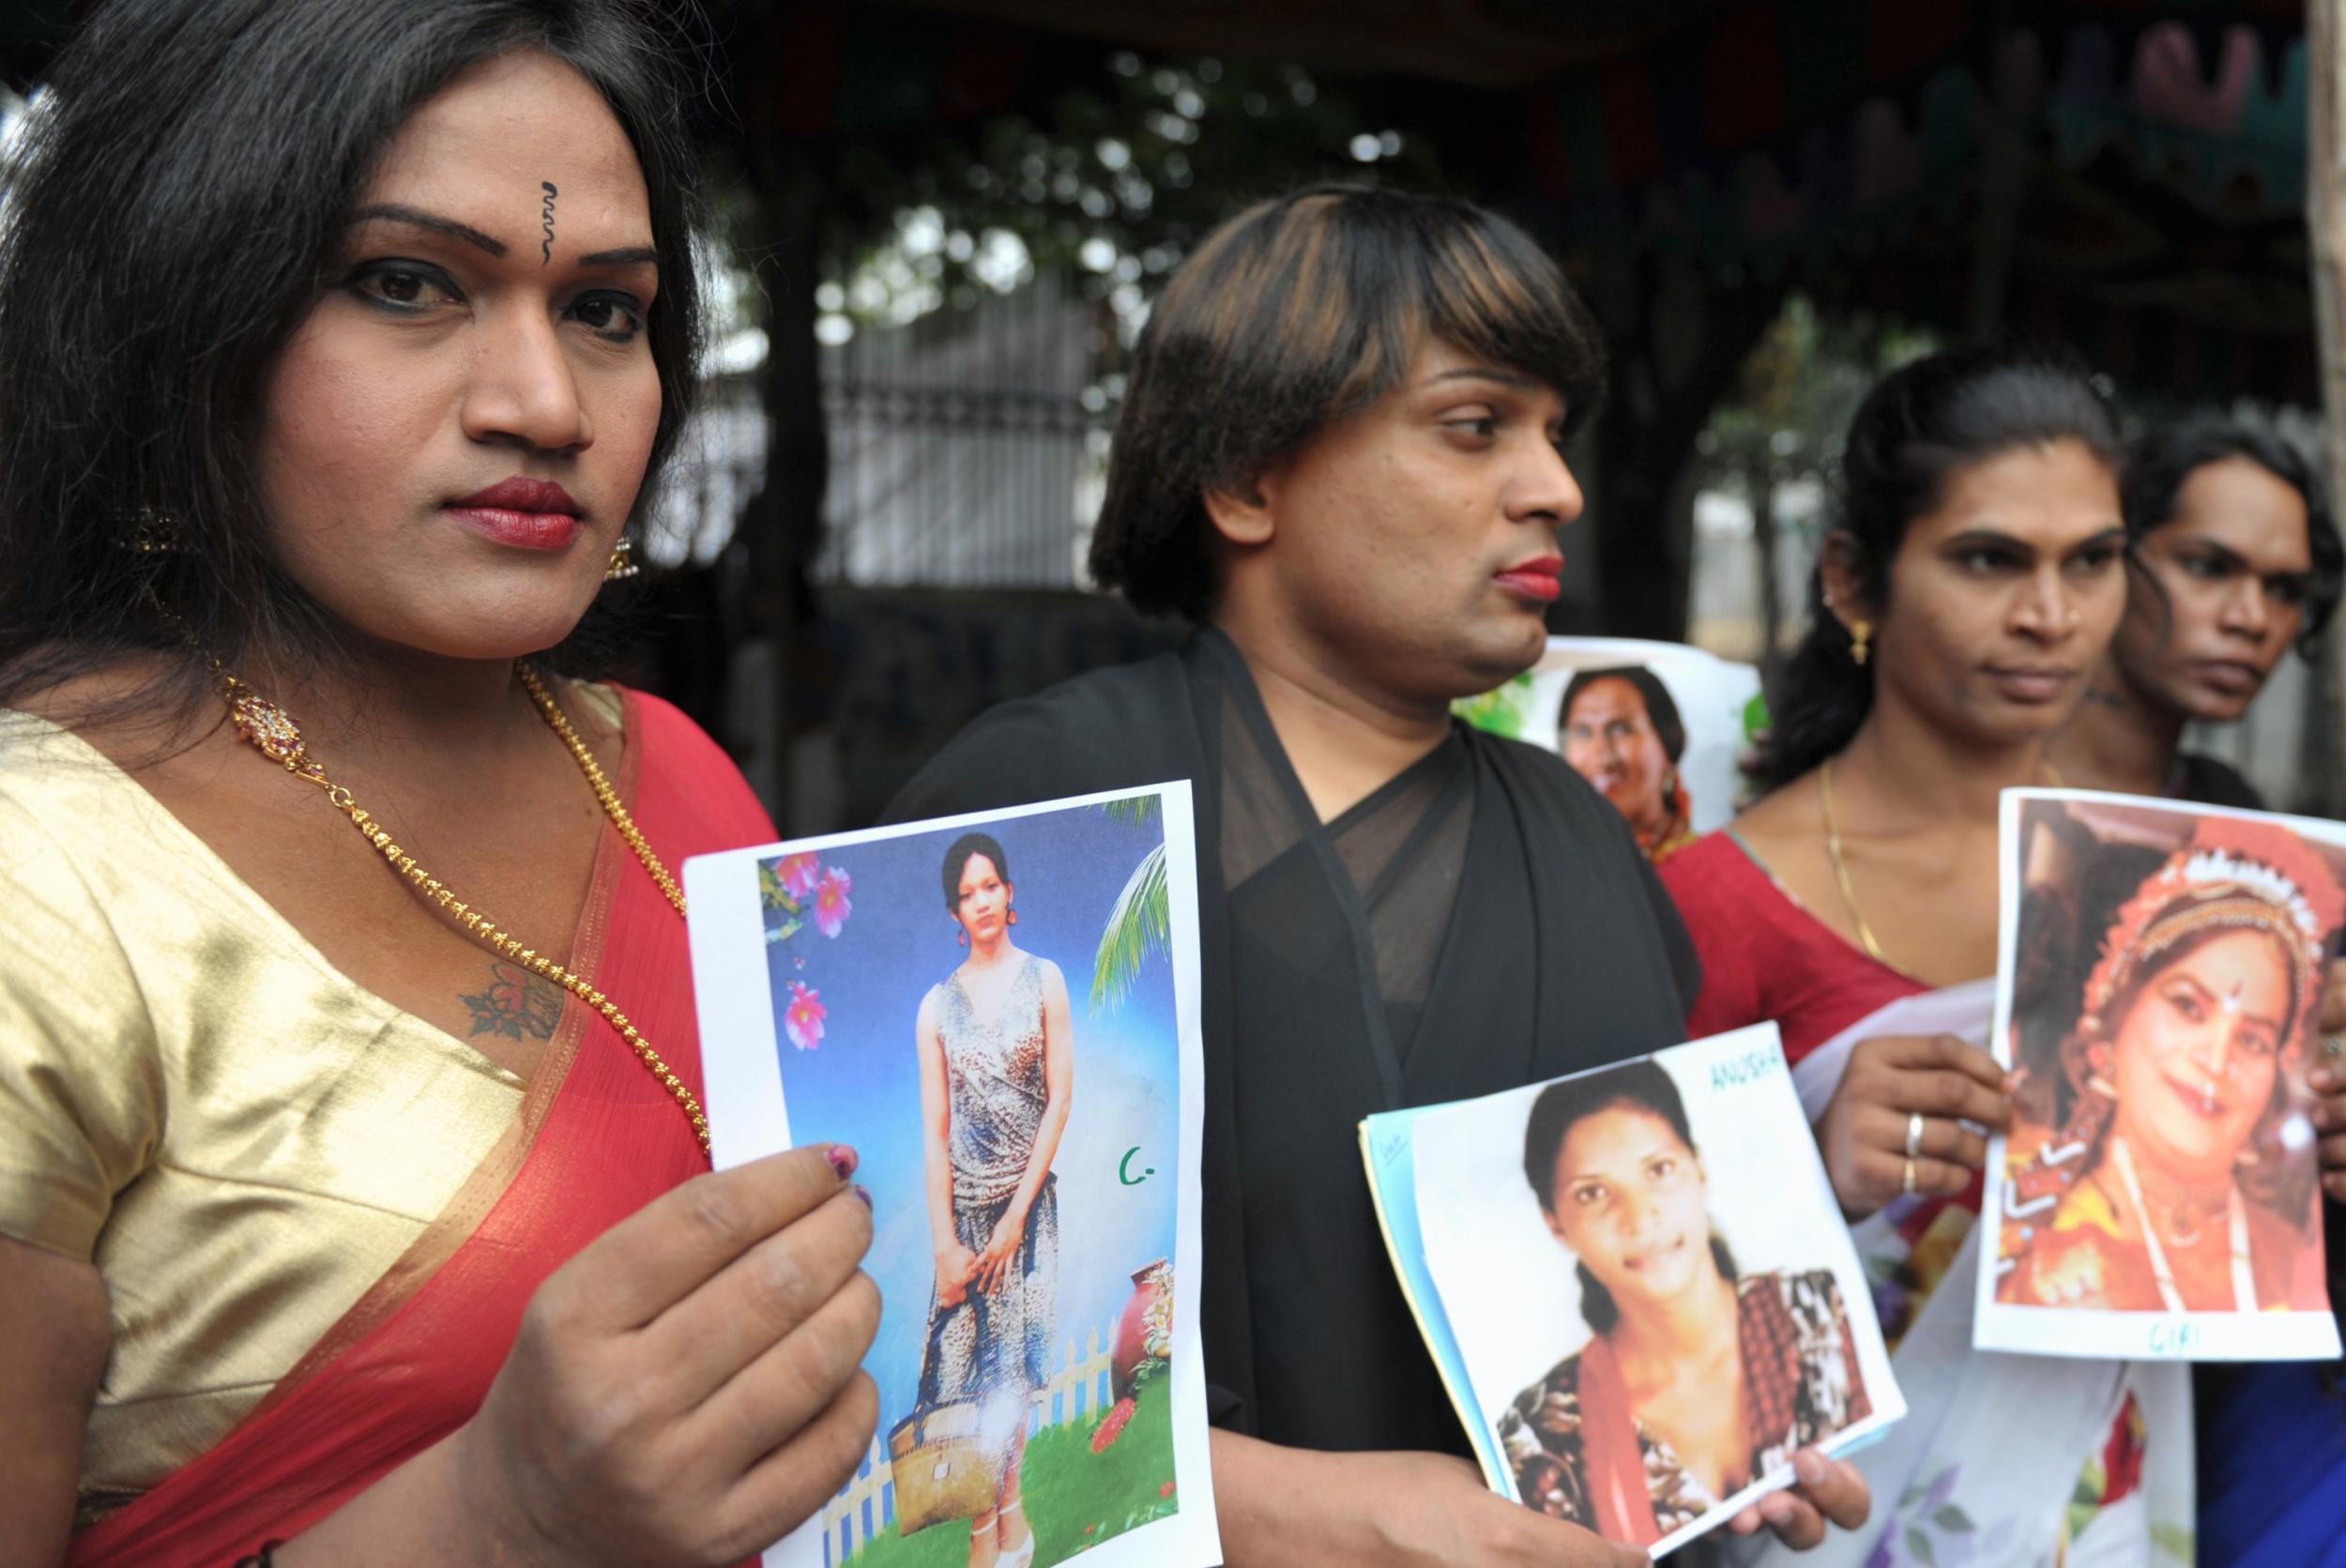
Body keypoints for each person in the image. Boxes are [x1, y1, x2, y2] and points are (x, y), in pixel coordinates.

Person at [0, 3, 876, 1562]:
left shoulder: (663, 770)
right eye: (407, 285)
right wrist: (498, 1517)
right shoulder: (43, 877)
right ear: (186, 322)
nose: (546, 403)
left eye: (607, 312)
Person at [885, 186, 1868, 1568]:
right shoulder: (1039, 822)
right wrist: (1305, 1516)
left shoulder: (1588, 846)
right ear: (1245, 480)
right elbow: (909, 1388)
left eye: (1553, 433)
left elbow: (1620, 1299)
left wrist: (1724, 1425)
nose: (1557, 488)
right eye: (1476, 425)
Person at [1656, 348, 2200, 1565]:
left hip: (2105, 1519)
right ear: (1855, 578)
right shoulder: (1717, 906)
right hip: (1817, 1528)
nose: (2051, 616)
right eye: (1989, 558)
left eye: (2093, 561)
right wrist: (1806, 1174)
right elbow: (1617, 1300)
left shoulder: (2183, 883)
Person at [1501, 1062, 1870, 1546]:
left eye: (1659, 1170)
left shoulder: (1814, 1310)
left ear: (1699, 1169)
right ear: (1555, 1224)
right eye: (1592, 1193)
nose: (1639, 1216)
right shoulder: (1542, 1435)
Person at [1998, 815, 2336, 1313]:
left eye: (2254, 1040)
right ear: (2113, 1019)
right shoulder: (2026, 1224)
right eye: (2187, 1006)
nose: (2217, 1060)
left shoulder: (2294, 1255)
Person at [915, 833, 1074, 1568]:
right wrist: (946, 1242)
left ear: (1010, 893)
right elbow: (935, 1129)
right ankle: (1002, 1524)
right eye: (967, 892)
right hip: (966, 1221)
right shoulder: (934, 1008)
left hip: (1027, 1209)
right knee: (963, 1379)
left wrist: (1016, 1219)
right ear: (956, 909)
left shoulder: (1045, 980)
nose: (981, 901)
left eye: (990, 886)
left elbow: (1060, 1100)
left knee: (1012, 1372)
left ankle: (996, 1534)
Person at [2050, 418, 2343, 808]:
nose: (2252, 619)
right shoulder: (1973, 788)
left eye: (2283, 589)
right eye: (2208, 567)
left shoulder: (2235, 817)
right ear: (2111, 560)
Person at [1558, 666, 1697, 861]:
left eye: (1621, 729)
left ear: (1668, 743)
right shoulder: (1554, 860)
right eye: (1583, 732)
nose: (1604, 758)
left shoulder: (1712, 864)